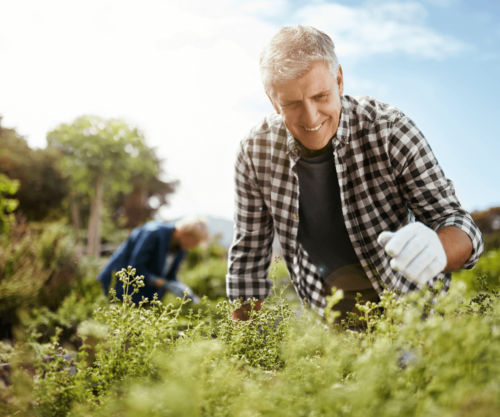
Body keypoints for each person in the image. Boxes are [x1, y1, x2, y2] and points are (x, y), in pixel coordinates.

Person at [226, 26, 484, 321]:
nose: (311, 117)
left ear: (339, 80)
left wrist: (438, 248)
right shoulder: (254, 152)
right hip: (332, 324)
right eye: (292, 104)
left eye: (321, 96)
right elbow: (248, 258)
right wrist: (244, 349)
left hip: (415, 317)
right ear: (274, 102)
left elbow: (459, 224)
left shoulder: (389, 129)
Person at [98, 216, 209, 304]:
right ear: (186, 234)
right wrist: (163, 283)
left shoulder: (181, 248)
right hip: (119, 285)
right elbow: (135, 268)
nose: (194, 246)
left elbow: (170, 276)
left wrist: (182, 288)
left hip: (141, 296)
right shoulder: (153, 233)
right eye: (195, 241)